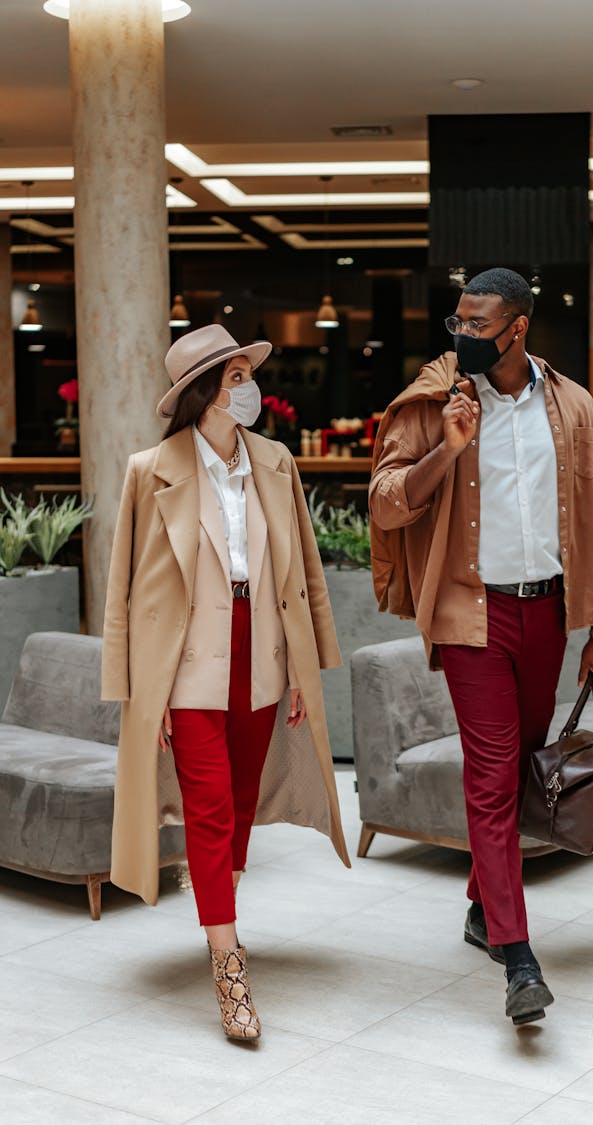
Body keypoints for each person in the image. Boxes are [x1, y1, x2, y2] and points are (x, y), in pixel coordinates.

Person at [369, 268, 593, 1026]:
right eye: (458, 320)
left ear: (518, 328)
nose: (463, 334)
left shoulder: (570, 405)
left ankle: (482, 905)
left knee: (517, 770)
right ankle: (518, 956)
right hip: (469, 614)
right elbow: (384, 499)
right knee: (489, 774)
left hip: (546, 613)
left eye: (478, 323)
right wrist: (447, 449)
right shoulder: (436, 399)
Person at [102, 324, 350, 1042]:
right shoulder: (150, 469)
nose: (251, 389)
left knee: (239, 802)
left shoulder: (275, 462)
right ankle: (229, 964)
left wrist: (305, 668)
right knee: (210, 808)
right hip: (182, 661)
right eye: (237, 377)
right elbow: (122, 588)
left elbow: (304, 568)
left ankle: (216, 894)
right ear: (207, 393)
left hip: (262, 648)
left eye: (248, 374)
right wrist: (134, 693)